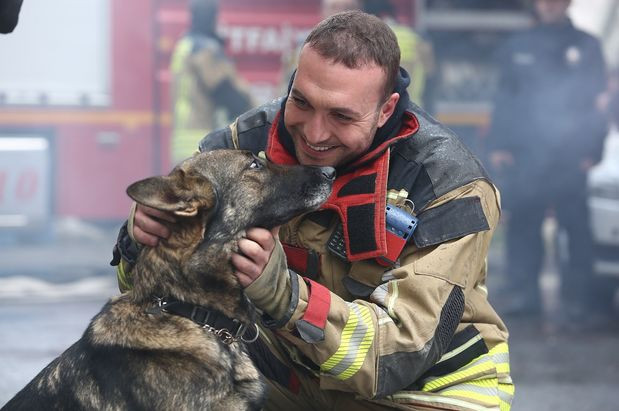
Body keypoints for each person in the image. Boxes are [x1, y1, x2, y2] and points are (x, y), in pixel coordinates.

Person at [114, 11, 513, 410]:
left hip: (425, 393)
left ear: (386, 110)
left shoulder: (448, 185)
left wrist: (286, 296)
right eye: (301, 102)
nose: (314, 133)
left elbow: (397, 358)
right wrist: (143, 236)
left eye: (341, 115)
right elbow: (162, 294)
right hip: (296, 385)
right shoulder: (246, 144)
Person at [488, 0, 608, 320]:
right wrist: (499, 145)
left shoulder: (587, 46)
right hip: (527, 155)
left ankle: (579, 301)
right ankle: (524, 296)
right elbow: (504, 99)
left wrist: (592, 151)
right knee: (524, 226)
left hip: (571, 155)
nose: (550, 5)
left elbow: (600, 104)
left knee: (575, 230)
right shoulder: (517, 46)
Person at [169, 0, 253, 165]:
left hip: (181, 144)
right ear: (212, 17)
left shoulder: (184, 45)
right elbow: (227, 94)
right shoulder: (203, 50)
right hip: (202, 142)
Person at [363, 0, 435, 108]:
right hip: (414, 109)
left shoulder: (369, 40)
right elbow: (431, 72)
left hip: (382, 110)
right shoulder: (416, 37)